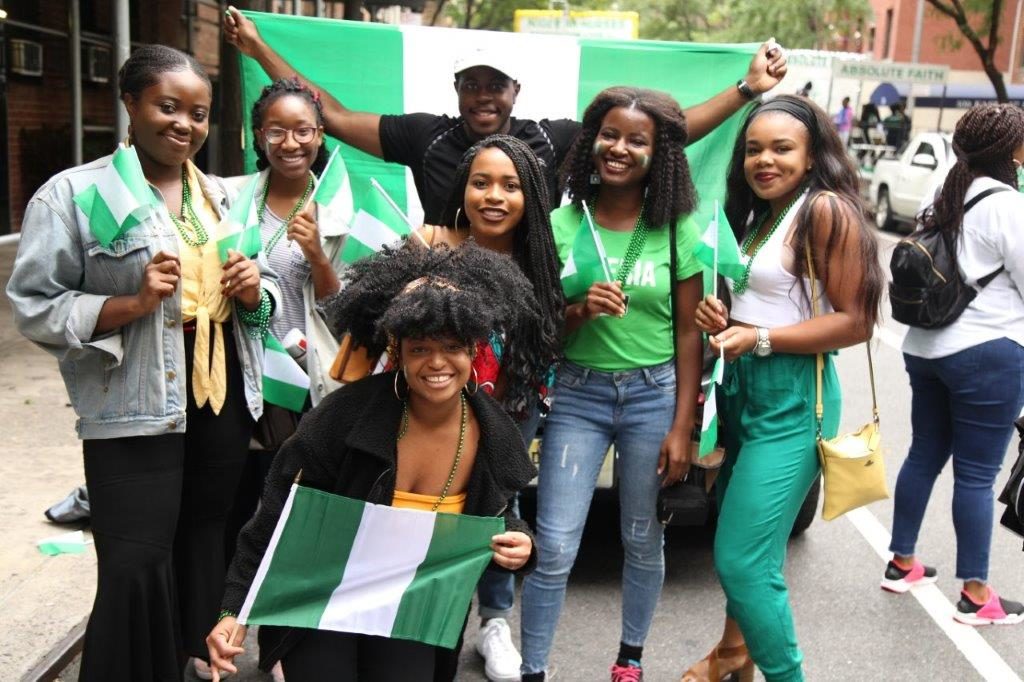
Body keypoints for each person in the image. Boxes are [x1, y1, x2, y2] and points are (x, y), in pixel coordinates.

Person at [6, 45, 281, 681]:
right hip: (133, 397)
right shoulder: (74, 194)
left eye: (199, 112)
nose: (184, 123)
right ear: (130, 103)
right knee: (135, 559)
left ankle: (191, 661)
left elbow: (261, 310)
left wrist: (252, 291)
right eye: (168, 106)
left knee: (204, 539)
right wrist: (128, 303)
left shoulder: (221, 198)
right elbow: (33, 305)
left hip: (222, 393)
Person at [206, 243, 541, 681]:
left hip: (413, 605)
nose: (437, 363)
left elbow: (497, 520)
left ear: (473, 349)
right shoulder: (344, 417)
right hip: (324, 595)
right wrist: (236, 609)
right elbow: (277, 515)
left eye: (452, 347)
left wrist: (520, 545)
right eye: (420, 349)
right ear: (396, 348)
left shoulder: (493, 431)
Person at [223, 6, 789, 222]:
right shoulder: (425, 135)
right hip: (447, 292)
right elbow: (334, 116)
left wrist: (746, 88)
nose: (484, 97)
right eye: (473, 85)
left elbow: (663, 133)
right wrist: (258, 50)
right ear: (457, 90)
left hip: (529, 298)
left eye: (496, 85)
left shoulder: (550, 136)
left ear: (515, 91)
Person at [687, 94, 883, 682]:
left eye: (780, 149)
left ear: (812, 153)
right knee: (752, 544)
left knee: (741, 559)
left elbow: (855, 321)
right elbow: (770, 298)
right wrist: (724, 319)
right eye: (753, 150)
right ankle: (733, 660)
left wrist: (761, 337)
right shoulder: (765, 212)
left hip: (794, 399)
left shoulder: (824, 209)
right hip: (741, 390)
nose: (763, 160)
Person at [519, 86, 705, 682]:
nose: (618, 148)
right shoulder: (557, 224)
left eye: (636, 140)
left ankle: (629, 658)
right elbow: (535, 326)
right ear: (589, 141)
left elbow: (687, 336)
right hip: (578, 394)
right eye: (609, 135)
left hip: (654, 396)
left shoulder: (678, 230)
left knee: (641, 538)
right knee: (553, 548)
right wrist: (578, 312)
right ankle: (533, 669)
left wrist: (682, 425)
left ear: (660, 154)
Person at [222, 77, 349, 682]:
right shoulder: (229, 201)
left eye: (303, 130)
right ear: (258, 136)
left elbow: (353, 315)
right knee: (253, 515)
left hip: (316, 389)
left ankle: (285, 646)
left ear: (320, 137)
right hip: (247, 381)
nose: (291, 141)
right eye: (277, 128)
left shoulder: (342, 206)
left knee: (304, 522)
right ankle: (237, 630)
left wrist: (321, 256)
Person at [423, 133, 563, 681]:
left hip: (514, 399)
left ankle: (495, 622)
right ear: (464, 188)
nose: (494, 196)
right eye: (481, 183)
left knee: (497, 503)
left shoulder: (541, 259)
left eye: (510, 185)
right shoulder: (435, 243)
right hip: (437, 402)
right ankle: (433, 619)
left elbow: (549, 333)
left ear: (530, 194)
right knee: (441, 506)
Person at [884, 103, 1024, 625]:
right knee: (976, 475)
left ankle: (901, 562)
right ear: (1010, 150)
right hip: (986, 354)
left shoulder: (943, 190)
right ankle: (976, 595)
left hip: (924, 348)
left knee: (925, 453)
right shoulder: (1007, 204)